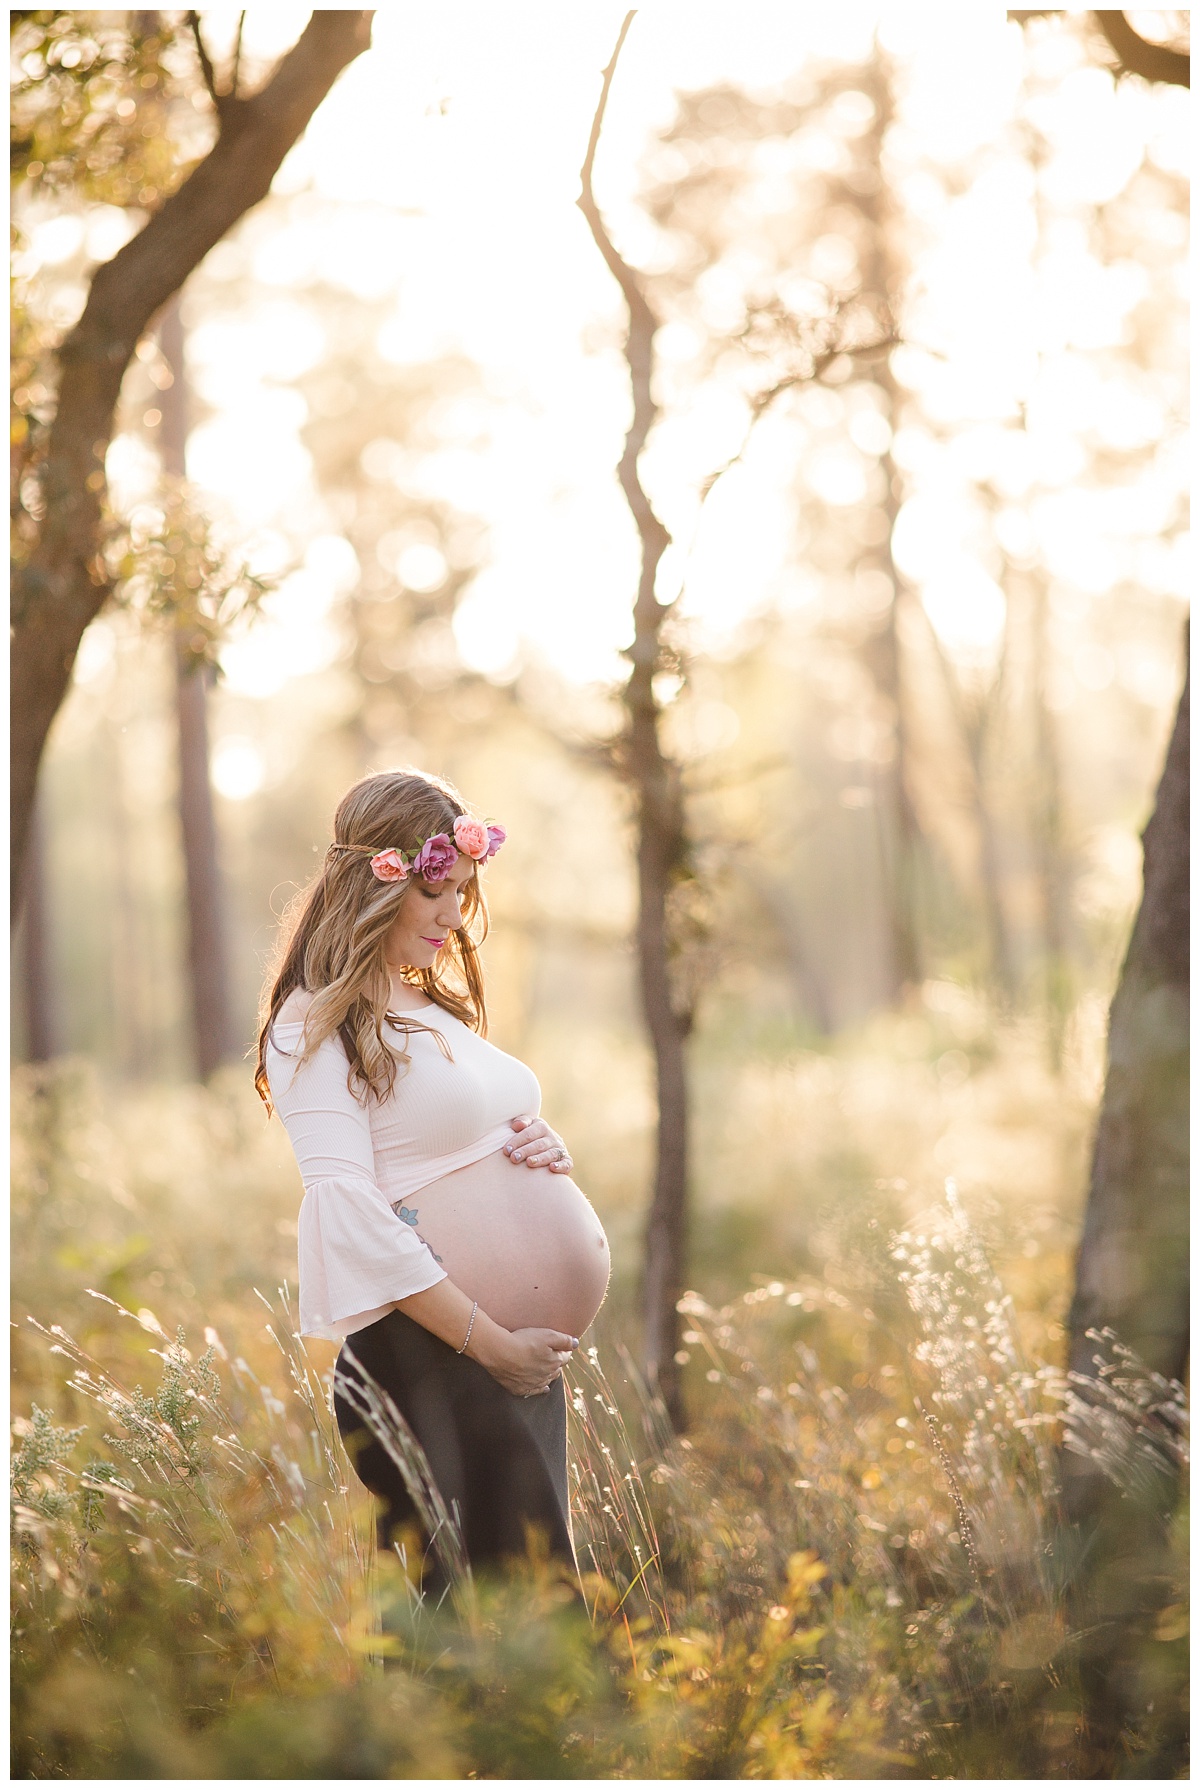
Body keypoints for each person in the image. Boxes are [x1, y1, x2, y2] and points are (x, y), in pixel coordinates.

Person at [255, 768, 611, 1588]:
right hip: (438, 1359)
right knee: (476, 1630)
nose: (456, 916)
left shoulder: (431, 1006)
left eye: (464, 892)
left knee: (538, 1617)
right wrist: (493, 1346)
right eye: (437, 893)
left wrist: (539, 1147)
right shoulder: (316, 1023)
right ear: (374, 885)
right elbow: (345, 1205)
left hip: (511, 1366)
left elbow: (447, 1145)